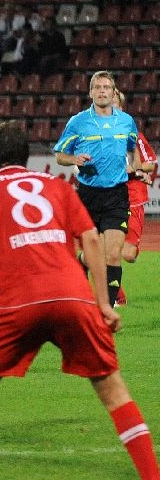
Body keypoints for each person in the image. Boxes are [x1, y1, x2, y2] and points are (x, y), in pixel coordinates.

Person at [0, 120, 160, 480]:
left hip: (17, 303)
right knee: (114, 390)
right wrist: (104, 303)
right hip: (74, 296)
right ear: (27, 157)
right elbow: (90, 241)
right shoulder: (56, 187)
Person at [53, 70, 139, 307]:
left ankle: (106, 310)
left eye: (106, 87)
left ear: (113, 93)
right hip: (88, 196)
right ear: (91, 92)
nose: (102, 91)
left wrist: (136, 167)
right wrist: (74, 160)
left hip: (117, 195)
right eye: (98, 87)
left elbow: (133, 147)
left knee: (112, 254)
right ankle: (82, 262)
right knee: (94, 256)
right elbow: (60, 155)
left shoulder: (126, 121)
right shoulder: (78, 122)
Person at [115, 89, 157, 305]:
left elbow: (150, 163)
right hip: (109, 197)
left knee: (128, 254)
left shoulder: (133, 135)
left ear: (121, 109)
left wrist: (135, 169)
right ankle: (117, 298)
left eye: (114, 104)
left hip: (133, 197)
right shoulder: (95, 135)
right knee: (104, 248)